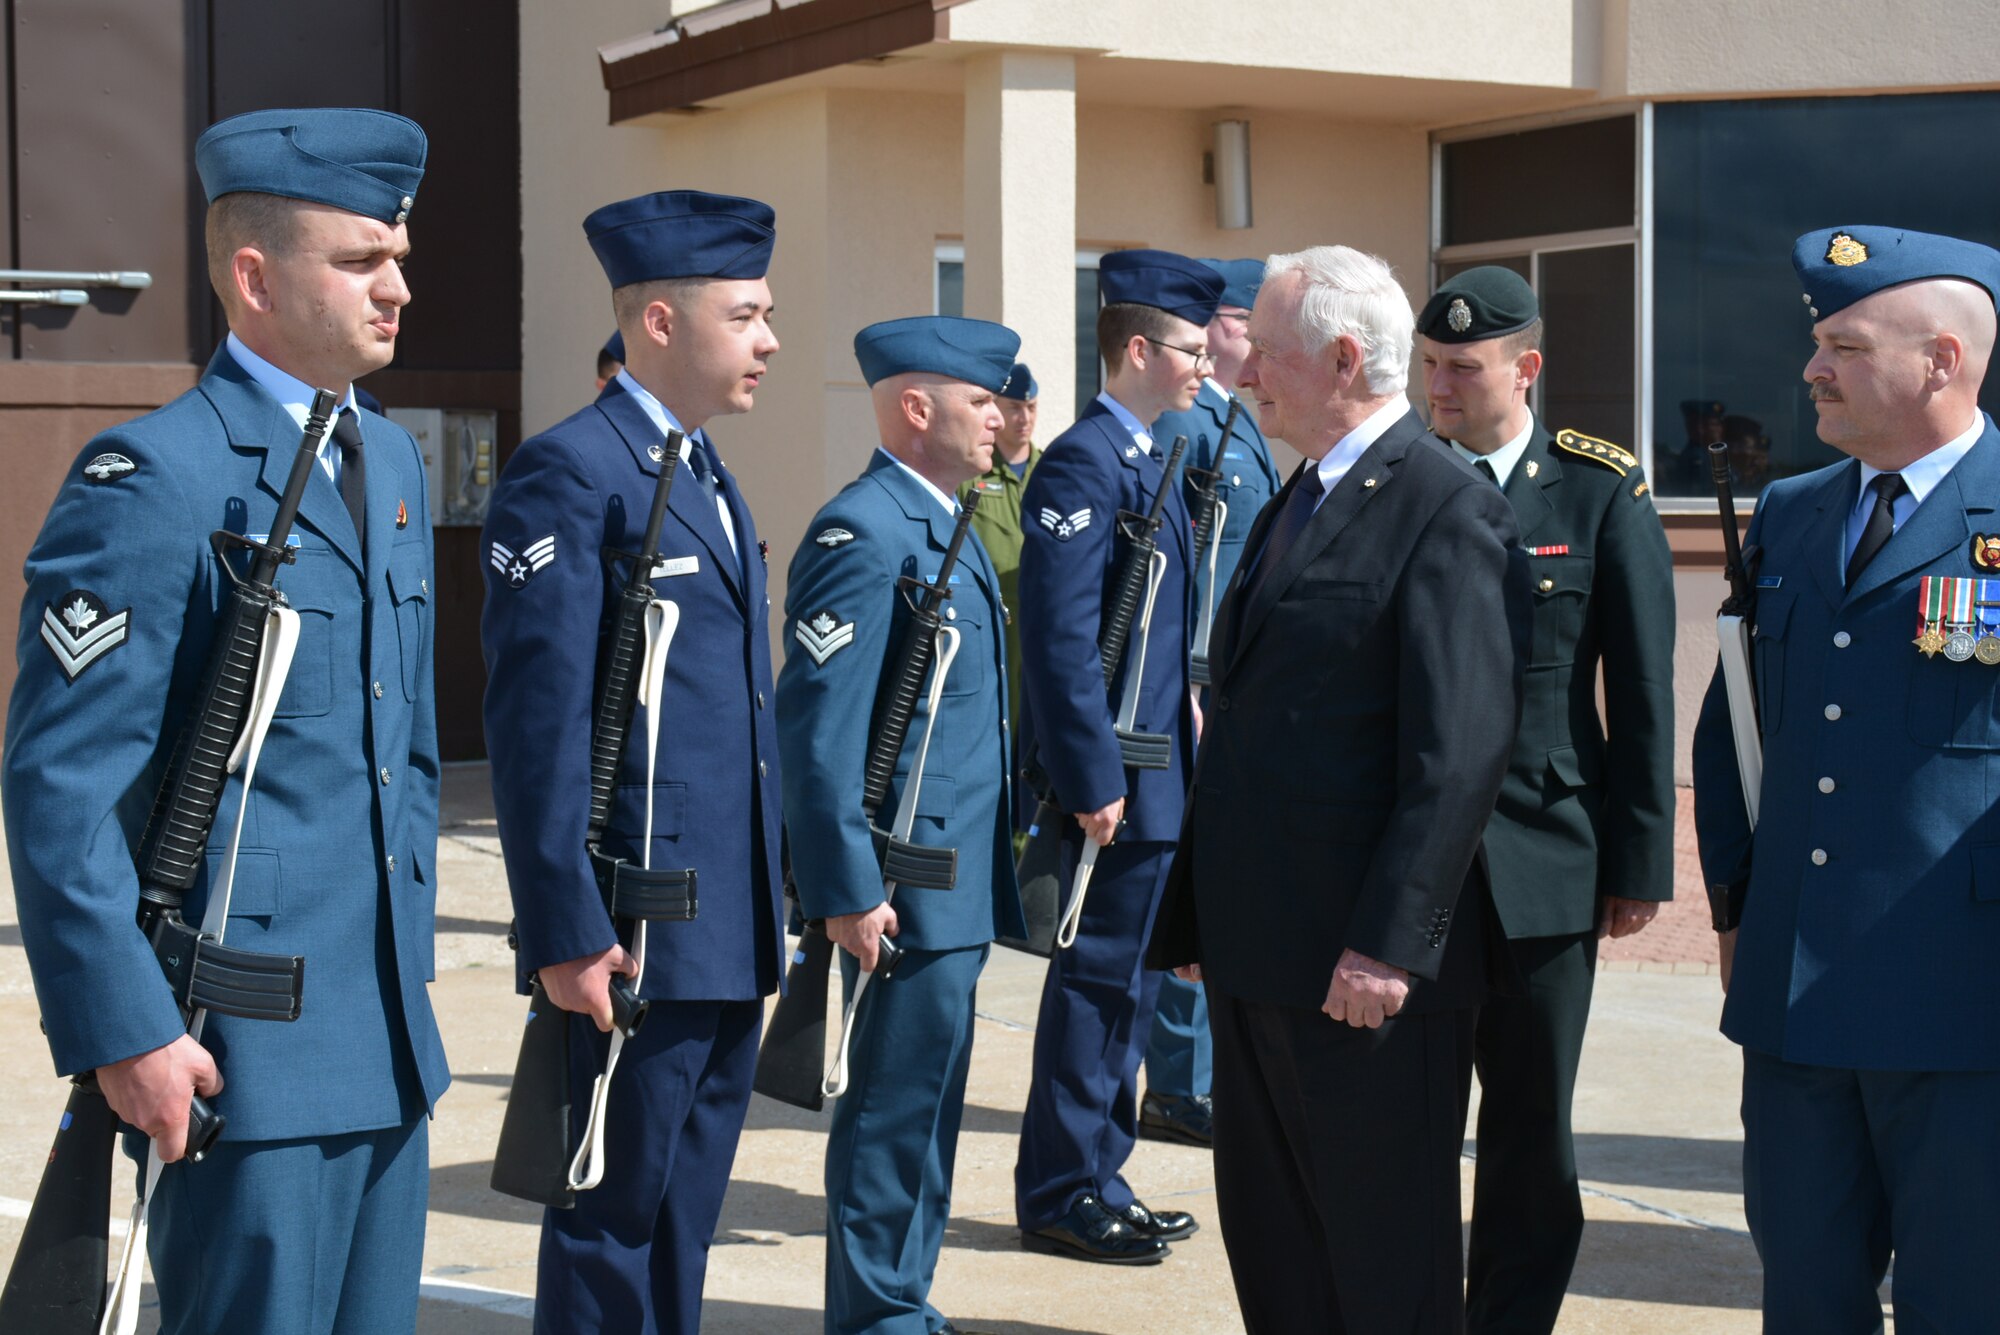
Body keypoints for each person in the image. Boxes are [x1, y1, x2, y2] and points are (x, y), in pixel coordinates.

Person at [2, 106, 444, 1333]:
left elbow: (396, 759)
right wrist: (126, 1032)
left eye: (398, 256)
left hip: (387, 1048)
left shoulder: (391, 467)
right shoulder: (156, 479)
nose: (396, 285)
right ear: (254, 277)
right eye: (361, 261)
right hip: (231, 1057)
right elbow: (61, 794)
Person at [1148, 245, 1528, 1332]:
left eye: (1266, 354)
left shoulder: (1443, 508)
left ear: (1344, 358)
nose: (1244, 373)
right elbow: (1250, 732)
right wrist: (1195, 916)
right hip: (1261, 954)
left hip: (1359, 972)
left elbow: (1454, 754)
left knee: (1380, 1261)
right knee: (1277, 1250)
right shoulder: (1293, 500)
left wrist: (1388, 943)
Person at [480, 189, 786, 1334]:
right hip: (634, 928)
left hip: (719, 928)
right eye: (746, 315)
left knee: (680, 1222)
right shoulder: (573, 471)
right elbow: (536, 720)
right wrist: (562, 925)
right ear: (658, 322)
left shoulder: (699, 470)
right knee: (613, 1224)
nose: (768, 339)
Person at [1693, 225, 2000, 1333]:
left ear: (1940, 362)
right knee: (1804, 1298)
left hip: (1964, 1005)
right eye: (1816, 341)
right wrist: (1733, 907)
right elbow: (1733, 729)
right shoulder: (1790, 513)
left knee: (1961, 1303)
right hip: (1794, 994)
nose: (1811, 367)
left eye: (1843, 344)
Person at [1416, 265, 1676, 1334]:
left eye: (1461, 368)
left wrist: (1635, 863)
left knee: (1529, 1132)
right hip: (1417, 870)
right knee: (1408, 1120)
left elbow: (1644, 686)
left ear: (1524, 370)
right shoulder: (1398, 481)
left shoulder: (1597, 488)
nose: (1438, 386)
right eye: (1429, 364)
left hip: (1544, 859)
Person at [778, 315, 1028, 1335]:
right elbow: (817, 728)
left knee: (925, 1116)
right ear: (916, 409)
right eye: (980, 403)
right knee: (888, 1116)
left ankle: (901, 1302)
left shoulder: (943, 519)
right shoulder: (867, 530)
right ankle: (877, 1315)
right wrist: (844, 887)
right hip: (901, 888)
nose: (1002, 422)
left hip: (949, 880)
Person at [1012, 248, 1220, 1265]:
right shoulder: (1084, 461)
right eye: (1186, 347)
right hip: (1114, 788)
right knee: (1094, 987)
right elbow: (1057, 641)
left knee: (1131, 991)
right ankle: (1059, 1186)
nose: (1201, 365)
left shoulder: (1150, 458)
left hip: (1154, 779)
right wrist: (1092, 779)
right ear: (1135, 347)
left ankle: (1100, 1168)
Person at [1140, 256, 1284, 1150]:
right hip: (1195, 683)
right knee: (1183, 882)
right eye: (1243, 326)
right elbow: (1177, 569)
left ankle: (1196, 1074)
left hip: (1227, 683)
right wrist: (1187, 683)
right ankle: (1176, 1083)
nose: (1252, 344)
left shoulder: (1243, 425)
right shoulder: (1193, 431)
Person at [958, 359, 1040, 739]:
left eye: (1031, 408)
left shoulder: (1054, 470)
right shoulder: (972, 478)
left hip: (1040, 622)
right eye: (1014, 408)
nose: (1024, 418)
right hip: (992, 624)